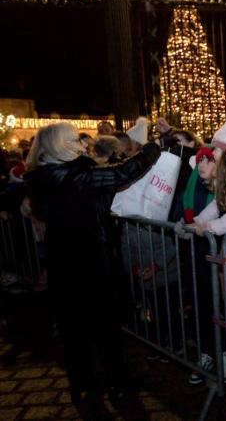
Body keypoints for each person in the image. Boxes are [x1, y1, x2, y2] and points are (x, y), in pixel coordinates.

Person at [23, 122, 160, 403]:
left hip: (62, 258)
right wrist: (151, 149)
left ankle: (82, 384)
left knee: (73, 327)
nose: (82, 144)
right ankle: (117, 383)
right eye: (73, 141)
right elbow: (122, 174)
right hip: (88, 258)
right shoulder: (74, 175)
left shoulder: (40, 176)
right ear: (58, 145)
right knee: (104, 326)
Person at [187, 112, 226, 385]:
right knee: (223, 291)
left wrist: (210, 228)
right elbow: (218, 204)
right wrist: (201, 220)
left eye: (217, 149)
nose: (213, 153)